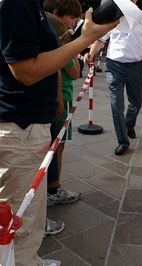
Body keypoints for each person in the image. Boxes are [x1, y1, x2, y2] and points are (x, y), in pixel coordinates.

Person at [0, 1, 119, 265]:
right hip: (21, 126)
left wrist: (76, 35)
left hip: (25, 125)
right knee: (21, 219)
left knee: (24, 215)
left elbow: (37, 50)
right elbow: (26, 71)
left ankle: (30, 259)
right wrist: (86, 39)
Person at [85, 0, 142, 156]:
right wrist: (91, 53)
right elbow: (100, 40)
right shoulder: (112, 18)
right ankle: (122, 141)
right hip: (114, 66)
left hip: (136, 67)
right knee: (116, 104)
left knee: (137, 101)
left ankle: (129, 124)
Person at [43, 0, 82, 208]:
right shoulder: (59, 43)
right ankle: (53, 188)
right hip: (62, 97)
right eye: (71, 18)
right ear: (57, 13)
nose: (72, 24)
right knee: (58, 145)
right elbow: (74, 72)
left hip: (53, 98)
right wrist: (73, 48)